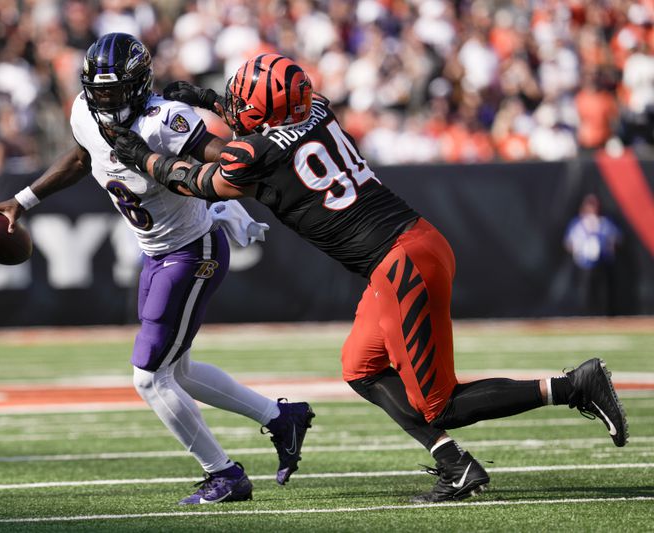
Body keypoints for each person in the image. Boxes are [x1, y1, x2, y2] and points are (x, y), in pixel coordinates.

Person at [111, 53, 630, 503]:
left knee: (439, 400)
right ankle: (455, 465)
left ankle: (572, 386)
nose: (234, 108)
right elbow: (270, 117)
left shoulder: (257, 154)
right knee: (360, 367)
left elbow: (198, 181)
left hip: (401, 261)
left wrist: (140, 154)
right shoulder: (315, 110)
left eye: (239, 101)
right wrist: (207, 99)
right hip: (407, 247)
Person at [0, 35, 314, 505]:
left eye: (115, 91)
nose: (105, 100)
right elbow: (81, 158)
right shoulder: (84, 112)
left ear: (139, 85)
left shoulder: (165, 120)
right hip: (156, 251)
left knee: (150, 377)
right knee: (180, 370)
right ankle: (281, 418)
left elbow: (224, 157)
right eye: (99, 90)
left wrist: (238, 170)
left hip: (193, 252)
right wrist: (23, 200)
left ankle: (225, 474)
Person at [564, 194, 622, 315]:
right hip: (584, 265)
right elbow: (568, 242)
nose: (592, 209)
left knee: (604, 292)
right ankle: (586, 316)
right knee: (586, 293)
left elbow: (617, 238)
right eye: (589, 205)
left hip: (603, 263)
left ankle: (604, 316)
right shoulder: (578, 224)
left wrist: (608, 246)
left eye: (594, 205)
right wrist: (579, 249)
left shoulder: (604, 223)